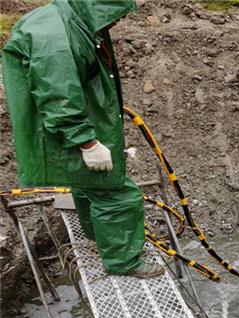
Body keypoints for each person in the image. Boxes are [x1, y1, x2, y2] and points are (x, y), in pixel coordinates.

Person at [2, 0, 163, 278]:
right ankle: (124, 263)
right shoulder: (56, 40)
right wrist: (86, 141)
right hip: (60, 126)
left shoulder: (73, 17)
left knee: (87, 183)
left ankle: (98, 237)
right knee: (118, 193)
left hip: (66, 122)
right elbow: (58, 96)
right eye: (116, 14)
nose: (118, 21)